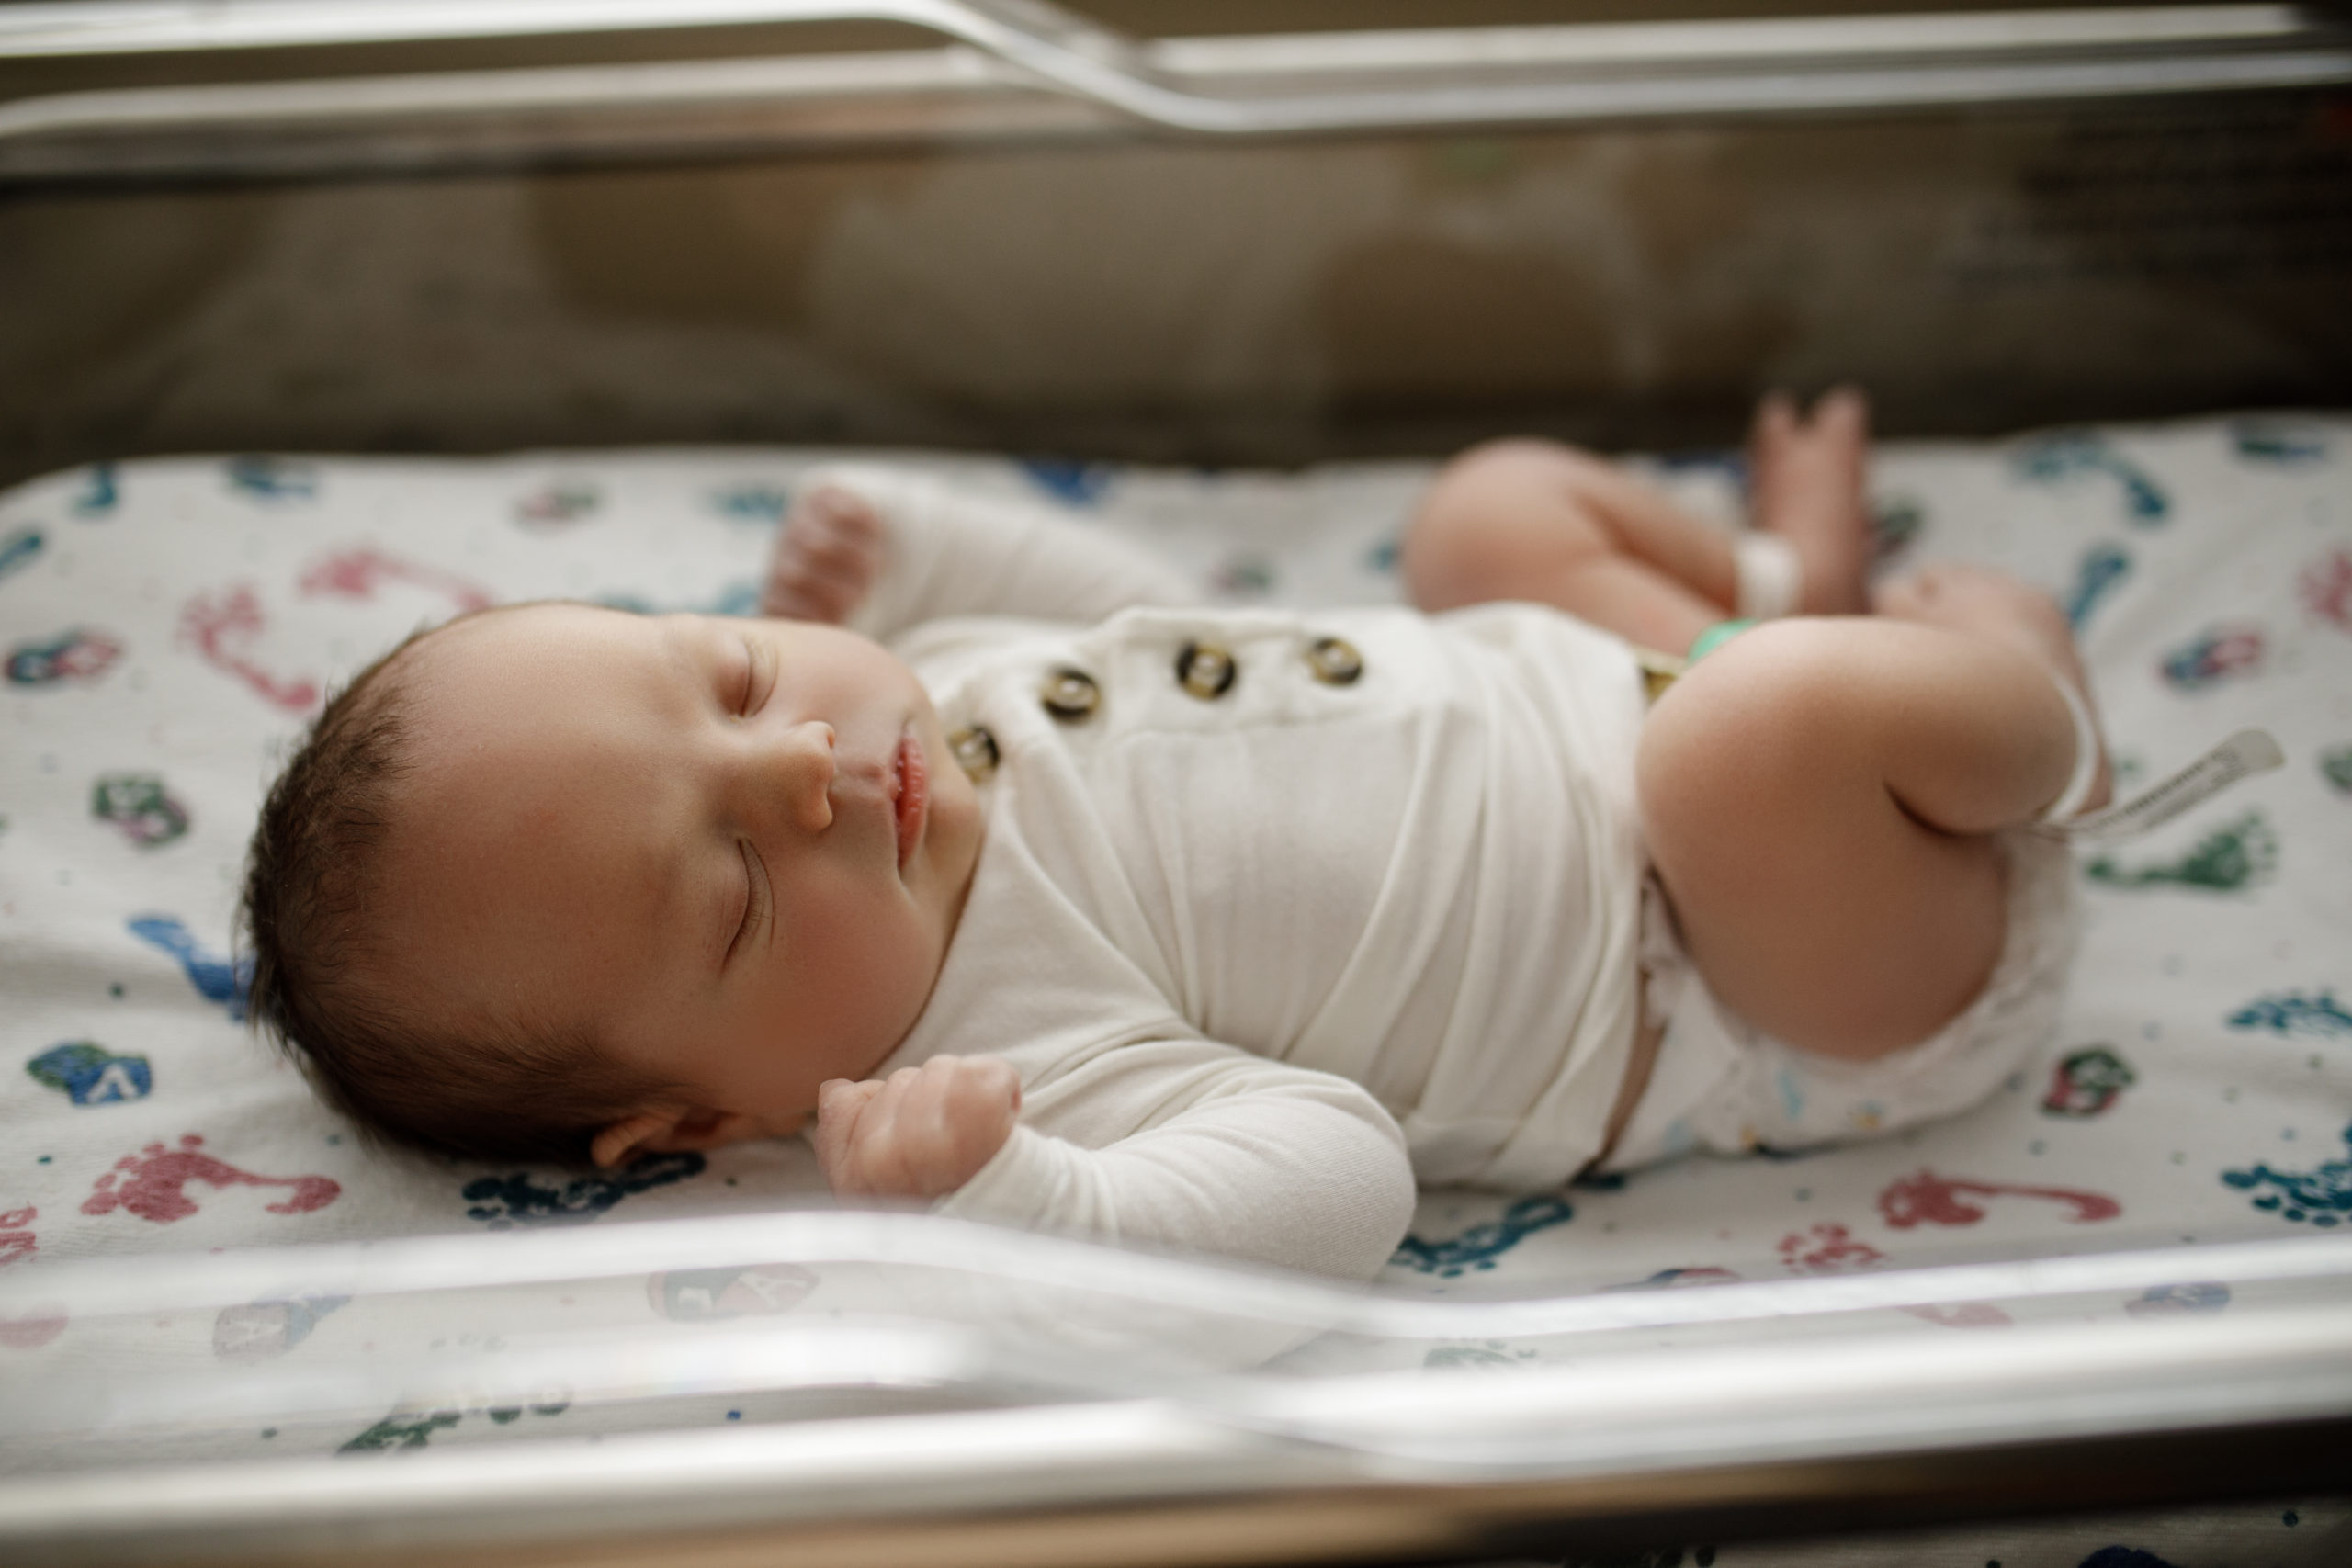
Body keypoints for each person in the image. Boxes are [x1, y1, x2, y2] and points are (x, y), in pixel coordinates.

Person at [242, 389, 2105, 1281]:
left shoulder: (925, 712)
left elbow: (1154, 615)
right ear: (695, 1117)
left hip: (1620, 692)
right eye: (729, 886)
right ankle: (2016, 703)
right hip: (1781, 964)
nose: (804, 763)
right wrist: (1029, 1210)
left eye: (728, 677)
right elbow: (1338, 1176)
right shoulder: (1009, 1062)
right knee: (1751, 732)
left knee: (1477, 515)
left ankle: (1796, 590)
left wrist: (927, 552)